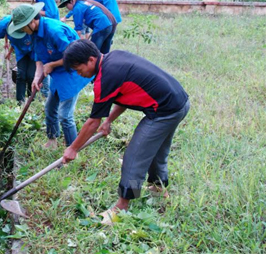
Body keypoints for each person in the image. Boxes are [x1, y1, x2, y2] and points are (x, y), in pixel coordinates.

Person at [62, 39, 190, 218]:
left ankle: (123, 206)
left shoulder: (105, 77)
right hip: (179, 102)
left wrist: (73, 148)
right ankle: (159, 190)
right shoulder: (113, 58)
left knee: (135, 155)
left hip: (165, 111)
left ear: (90, 60)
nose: (79, 74)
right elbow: (124, 96)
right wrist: (109, 121)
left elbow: (92, 122)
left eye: (78, 69)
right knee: (158, 151)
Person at [7, 3, 91, 149]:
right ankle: (52, 141)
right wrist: (37, 77)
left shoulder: (54, 31)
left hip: (73, 72)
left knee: (65, 115)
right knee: (50, 108)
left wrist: (52, 65)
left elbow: (75, 57)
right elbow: (39, 58)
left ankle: (73, 150)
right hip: (58, 74)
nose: (22, 31)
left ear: (32, 21)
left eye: (22, 27)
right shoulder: (33, 33)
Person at [0, 15, 36, 104]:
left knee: (31, 76)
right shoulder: (4, 25)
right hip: (20, 51)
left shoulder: (34, 22)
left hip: (35, 50)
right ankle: (20, 101)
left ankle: (31, 100)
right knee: (21, 74)